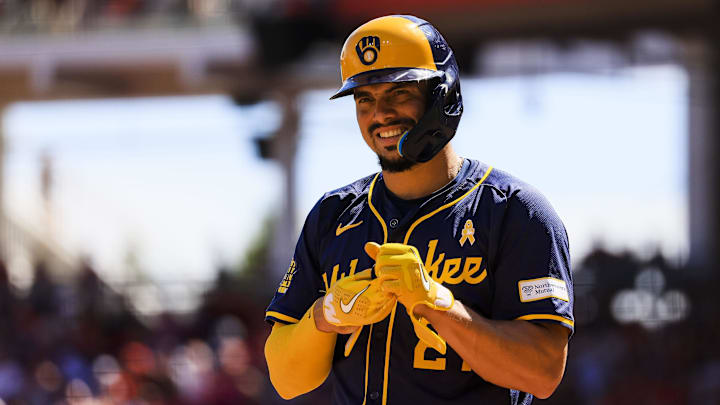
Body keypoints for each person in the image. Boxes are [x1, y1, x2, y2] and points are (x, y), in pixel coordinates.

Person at [264, 15, 574, 405]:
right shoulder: (333, 214)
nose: (380, 114)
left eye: (398, 94)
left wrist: (438, 304)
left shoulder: (515, 212)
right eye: (365, 99)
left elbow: (543, 374)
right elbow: (286, 380)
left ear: (442, 96)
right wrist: (326, 314)